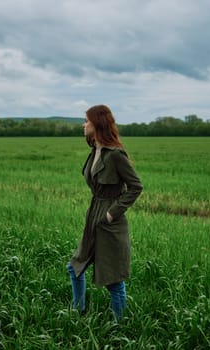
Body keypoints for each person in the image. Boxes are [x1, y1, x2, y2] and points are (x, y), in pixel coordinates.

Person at [67, 104, 143, 322]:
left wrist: (111, 213)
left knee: (114, 280)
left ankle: (120, 327)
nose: (84, 125)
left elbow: (136, 186)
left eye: (87, 121)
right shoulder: (95, 151)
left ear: (97, 123)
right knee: (75, 267)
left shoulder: (116, 155)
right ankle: (78, 312)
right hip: (93, 215)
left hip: (110, 221)